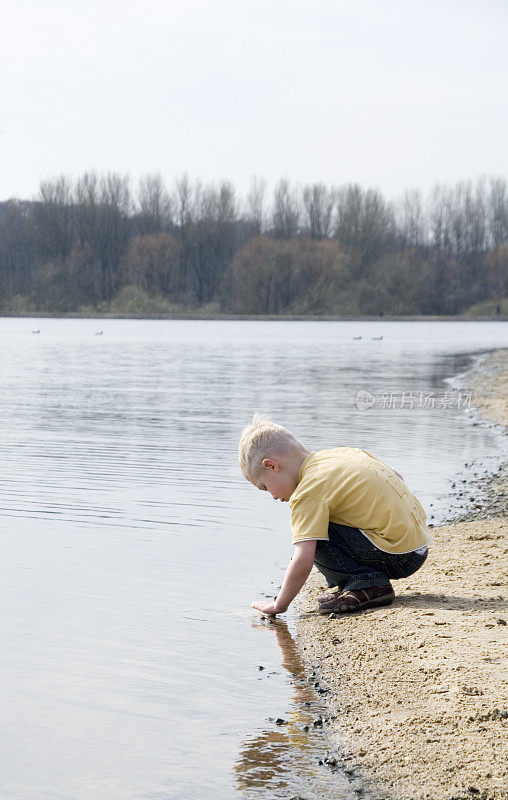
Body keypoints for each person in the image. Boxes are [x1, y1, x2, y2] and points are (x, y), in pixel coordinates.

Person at [239, 414, 431, 616]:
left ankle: (367, 584)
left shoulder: (307, 491)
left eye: (265, 487)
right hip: (417, 545)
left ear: (272, 466)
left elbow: (303, 557)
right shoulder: (340, 455)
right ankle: (359, 581)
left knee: (310, 534)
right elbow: (397, 476)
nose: (273, 497)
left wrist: (279, 605)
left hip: (398, 556)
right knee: (321, 519)